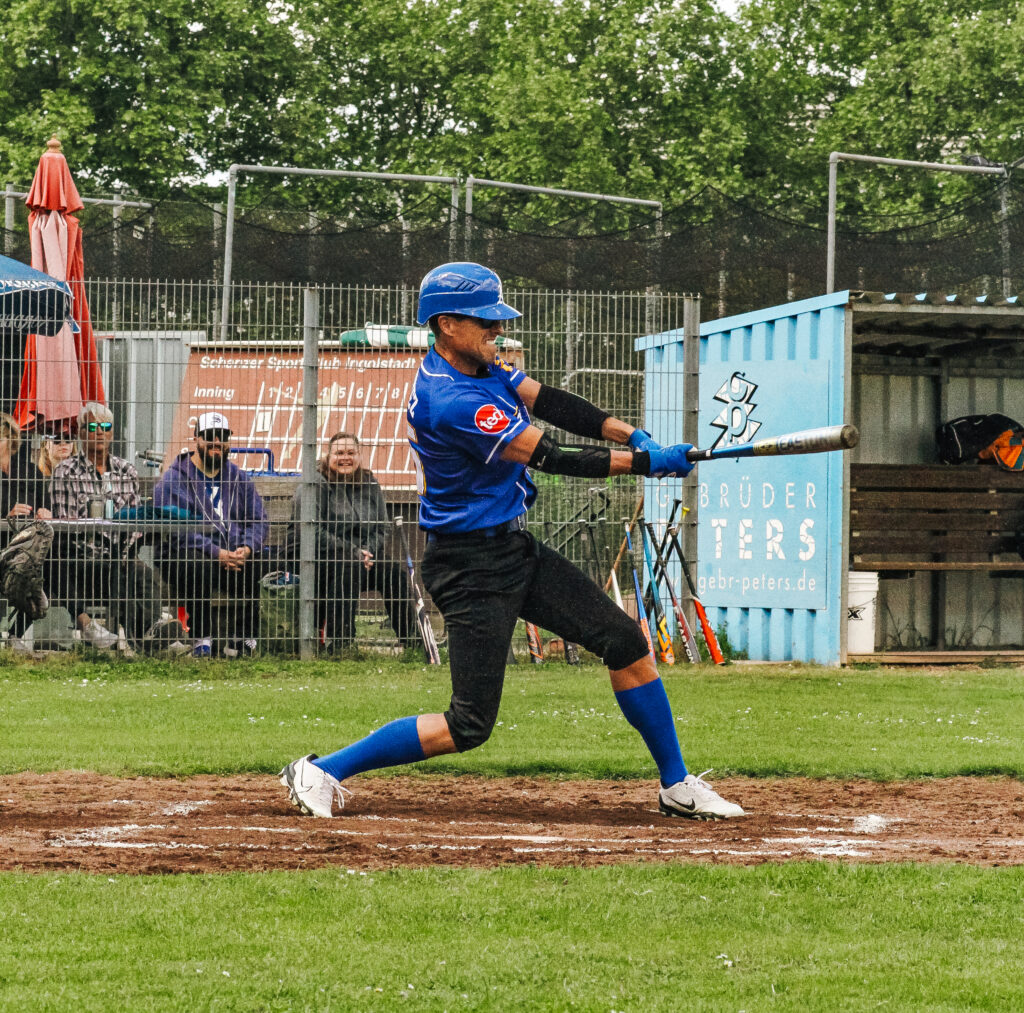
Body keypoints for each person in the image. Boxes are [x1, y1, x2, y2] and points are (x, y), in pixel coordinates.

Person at [280, 262, 745, 821]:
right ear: (447, 323)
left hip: (511, 548)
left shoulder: (484, 367)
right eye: (486, 321)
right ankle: (322, 770)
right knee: (468, 724)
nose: (497, 330)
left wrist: (630, 433)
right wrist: (649, 463)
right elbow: (551, 455)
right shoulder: (452, 400)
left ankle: (676, 784)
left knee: (624, 640)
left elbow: (550, 401)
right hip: (468, 566)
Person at [285, 431, 417, 652]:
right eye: (339, 453)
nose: (345, 458)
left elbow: (383, 527)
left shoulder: (369, 483)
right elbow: (310, 530)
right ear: (328, 456)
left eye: (350, 453)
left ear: (359, 456)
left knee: (393, 572)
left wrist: (365, 551)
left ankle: (412, 640)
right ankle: (341, 643)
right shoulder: (316, 483)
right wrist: (353, 551)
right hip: (314, 558)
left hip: (359, 557)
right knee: (347, 564)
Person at [153, 411, 270, 658]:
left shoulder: (238, 478)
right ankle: (202, 638)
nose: (216, 442)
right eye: (209, 436)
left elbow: (259, 520)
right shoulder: (174, 478)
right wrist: (217, 553)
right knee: (196, 564)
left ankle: (241, 638)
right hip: (189, 555)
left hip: (233, 556)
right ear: (196, 438)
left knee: (266, 562)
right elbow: (176, 530)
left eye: (222, 437)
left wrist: (246, 548)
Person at [50, 402, 161, 651]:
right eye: (92, 427)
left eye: (105, 426)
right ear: (80, 433)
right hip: (81, 559)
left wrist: (124, 551)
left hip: (121, 557)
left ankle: (150, 634)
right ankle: (132, 639)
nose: (99, 432)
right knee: (115, 571)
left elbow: (136, 521)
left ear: (112, 432)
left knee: (142, 573)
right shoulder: (65, 472)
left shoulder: (127, 471)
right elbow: (66, 525)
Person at [0, 419, 70, 650]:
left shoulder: (28, 470)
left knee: (55, 566)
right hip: (4, 546)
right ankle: (84, 622)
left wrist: (44, 511)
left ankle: (15, 635)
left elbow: (45, 502)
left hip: (33, 547)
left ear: (10, 441)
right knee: (40, 570)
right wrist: (6, 515)